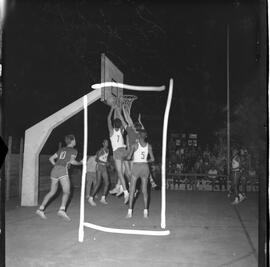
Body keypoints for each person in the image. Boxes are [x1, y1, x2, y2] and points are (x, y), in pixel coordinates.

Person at [36, 135, 82, 221]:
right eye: (75, 140)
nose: (75, 141)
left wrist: (56, 165)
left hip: (54, 170)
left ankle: (40, 209)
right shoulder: (73, 150)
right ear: (72, 141)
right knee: (67, 192)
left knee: (52, 191)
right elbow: (72, 161)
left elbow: (51, 158)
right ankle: (62, 210)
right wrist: (81, 163)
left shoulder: (61, 149)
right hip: (62, 170)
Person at [126, 129, 155, 218]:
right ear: (145, 136)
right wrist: (146, 160)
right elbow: (153, 159)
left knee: (132, 190)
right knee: (144, 190)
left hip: (136, 167)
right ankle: (145, 212)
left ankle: (130, 212)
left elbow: (129, 157)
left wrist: (126, 157)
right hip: (145, 167)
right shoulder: (149, 146)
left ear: (139, 136)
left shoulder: (135, 145)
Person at [107, 106, 129, 204]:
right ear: (120, 125)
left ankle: (126, 192)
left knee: (120, 173)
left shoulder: (111, 131)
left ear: (113, 124)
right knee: (125, 172)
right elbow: (121, 121)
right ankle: (122, 187)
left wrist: (112, 109)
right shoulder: (121, 130)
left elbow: (108, 119)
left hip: (117, 152)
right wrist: (118, 110)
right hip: (124, 150)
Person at [88, 139, 110, 206]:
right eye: (105, 142)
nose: (107, 143)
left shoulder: (108, 150)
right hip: (99, 167)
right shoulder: (100, 151)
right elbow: (96, 159)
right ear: (103, 143)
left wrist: (107, 163)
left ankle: (103, 198)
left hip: (104, 167)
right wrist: (105, 163)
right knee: (98, 183)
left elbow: (105, 159)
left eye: (107, 142)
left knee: (107, 183)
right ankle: (90, 198)